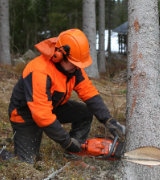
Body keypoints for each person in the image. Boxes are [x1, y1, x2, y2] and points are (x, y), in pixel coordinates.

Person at [8, 28, 125, 164]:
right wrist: (67, 142)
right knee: (26, 163)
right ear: (59, 55)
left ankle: (73, 153)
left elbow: (89, 92)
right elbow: (42, 115)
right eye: (74, 64)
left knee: (84, 113)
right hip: (25, 115)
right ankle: (3, 154)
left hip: (51, 106)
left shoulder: (74, 69)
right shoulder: (40, 71)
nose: (77, 67)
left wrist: (108, 120)